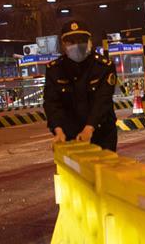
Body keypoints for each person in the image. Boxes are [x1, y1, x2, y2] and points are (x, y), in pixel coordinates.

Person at [44, 19, 118, 151]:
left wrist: (89, 128)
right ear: (63, 44)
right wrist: (58, 130)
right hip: (69, 137)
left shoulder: (103, 67)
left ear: (89, 42)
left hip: (102, 135)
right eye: (71, 42)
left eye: (81, 41)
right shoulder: (55, 70)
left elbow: (102, 101)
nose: (77, 46)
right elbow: (52, 103)